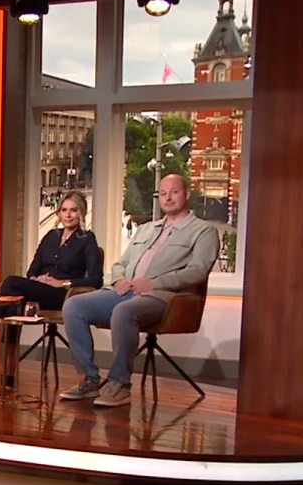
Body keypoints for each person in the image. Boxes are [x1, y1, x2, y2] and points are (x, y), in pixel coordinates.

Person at [60, 174, 218, 408]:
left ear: (187, 194)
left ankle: (119, 384)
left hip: (163, 297)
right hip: (125, 291)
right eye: (163, 193)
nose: (168, 198)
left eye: (174, 192)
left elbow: (198, 271)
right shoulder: (145, 229)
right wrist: (119, 279)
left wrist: (153, 283)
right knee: (74, 306)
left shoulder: (203, 231)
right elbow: (120, 263)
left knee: (124, 311)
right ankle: (89, 379)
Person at [0, 191, 102, 360]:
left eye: (73, 210)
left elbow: (96, 279)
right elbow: (32, 270)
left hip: (63, 295)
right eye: (64, 210)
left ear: (81, 212)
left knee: (11, 283)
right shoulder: (51, 236)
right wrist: (36, 279)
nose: (68, 215)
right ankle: (9, 364)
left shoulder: (87, 239)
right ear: (58, 212)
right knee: (15, 300)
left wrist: (62, 283)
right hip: (40, 291)